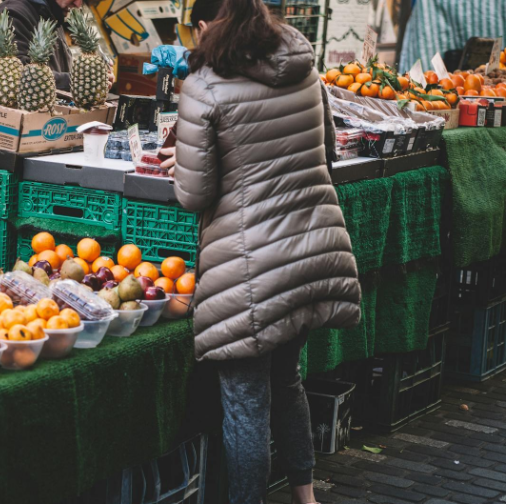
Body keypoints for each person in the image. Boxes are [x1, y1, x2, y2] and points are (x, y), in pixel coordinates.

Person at [166, 0, 362, 502]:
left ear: (208, 25)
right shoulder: (304, 68)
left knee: (246, 403)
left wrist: (182, 160)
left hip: (250, 265)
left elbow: (193, 195)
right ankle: (305, 497)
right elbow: (328, 149)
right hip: (311, 248)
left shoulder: (205, 86)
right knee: (286, 381)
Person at [0, 0, 81, 92]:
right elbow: (19, 77)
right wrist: (80, 81)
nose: (78, 4)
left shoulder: (53, 18)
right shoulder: (13, 14)